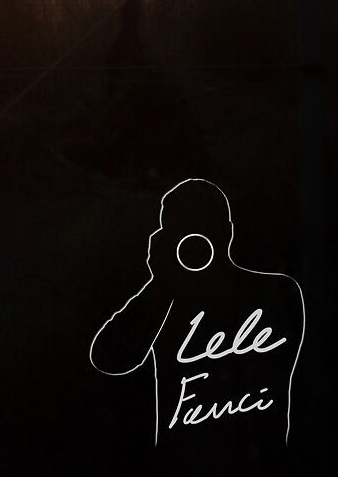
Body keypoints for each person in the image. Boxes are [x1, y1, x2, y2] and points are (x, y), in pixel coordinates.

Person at [90, 177, 304, 472]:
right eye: (183, 231)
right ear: (167, 240)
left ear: (227, 233)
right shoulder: (164, 301)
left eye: (204, 227)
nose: (195, 241)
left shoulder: (275, 292)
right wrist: (160, 283)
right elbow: (110, 360)